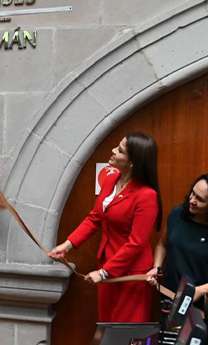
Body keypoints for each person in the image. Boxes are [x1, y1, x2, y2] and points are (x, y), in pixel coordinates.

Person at [48, 132, 162, 322]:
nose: (113, 151)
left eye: (119, 150)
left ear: (133, 162)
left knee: (122, 332)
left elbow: (136, 243)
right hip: (107, 265)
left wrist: (104, 272)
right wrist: (67, 244)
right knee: (106, 324)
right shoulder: (111, 179)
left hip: (129, 274)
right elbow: (95, 218)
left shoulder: (146, 195)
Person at [146, 173, 208, 315]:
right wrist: (157, 267)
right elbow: (163, 244)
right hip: (171, 298)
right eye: (192, 193)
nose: (192, 200)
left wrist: (200, 290)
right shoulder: (177, 214)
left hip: (204, 304)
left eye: (200, 199)